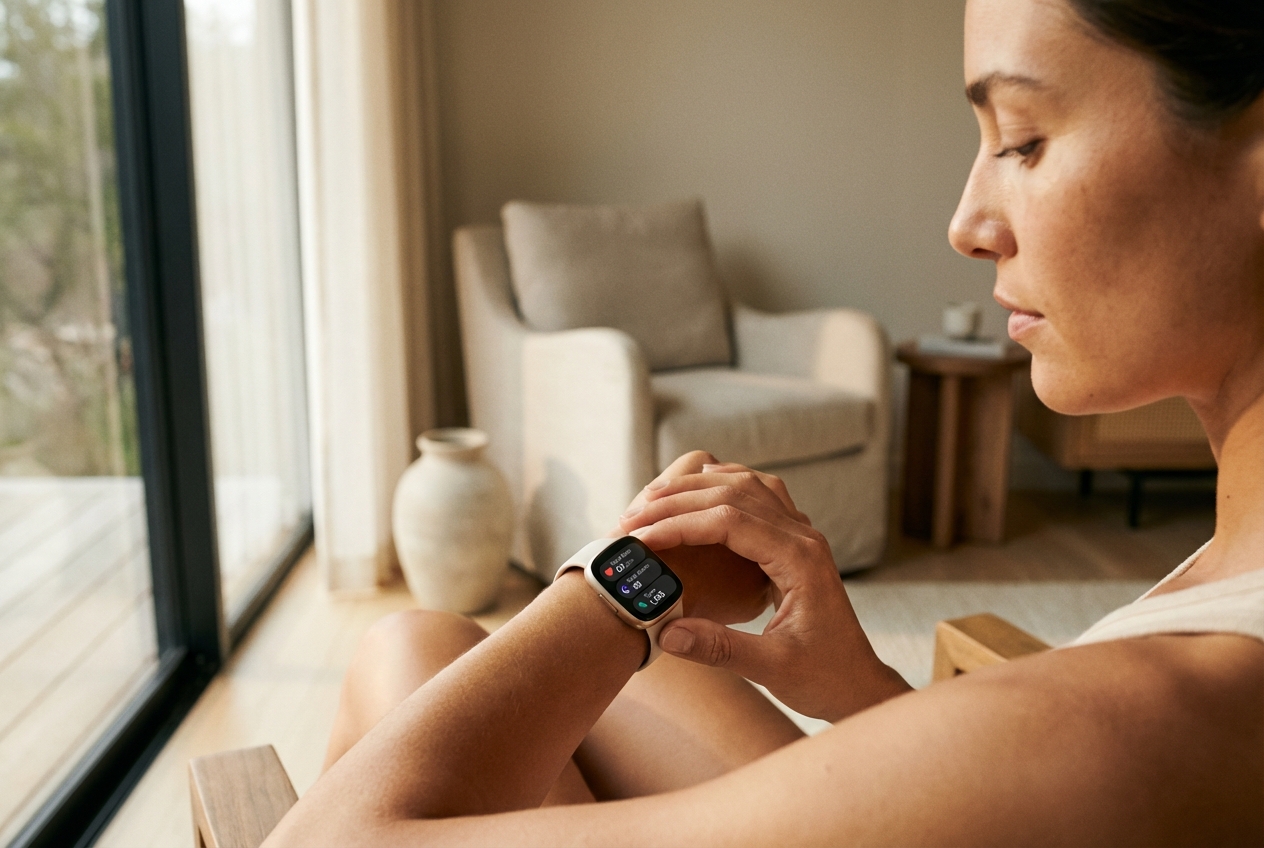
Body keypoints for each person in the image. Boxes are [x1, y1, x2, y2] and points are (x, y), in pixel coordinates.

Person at [267, 0, 1264, 843]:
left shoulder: (1164, 708)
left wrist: (619, 588)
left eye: (1021, 140)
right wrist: (858, 686)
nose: (965, 222)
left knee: (409, 663)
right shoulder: (1218, 599)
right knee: (431, 647)